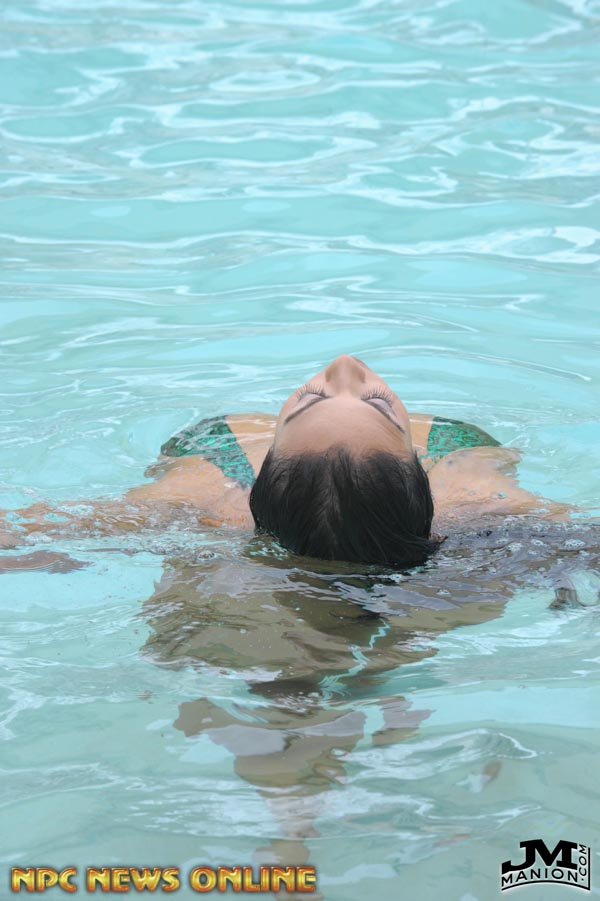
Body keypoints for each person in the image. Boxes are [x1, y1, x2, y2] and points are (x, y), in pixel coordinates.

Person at [1, 353, 573, 567]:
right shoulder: (473, 493)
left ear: (263, 472)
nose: (345, 367)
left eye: (310, 400)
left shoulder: (201, 501)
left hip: (222, 462)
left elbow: (34, 534)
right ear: (422, 467)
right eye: (378, 404)